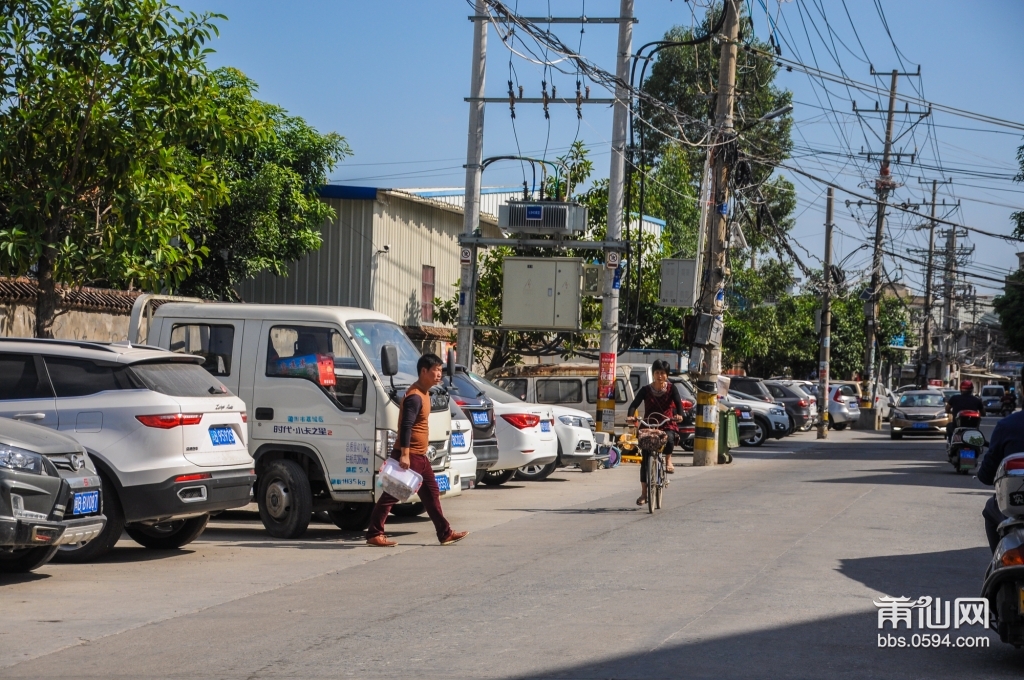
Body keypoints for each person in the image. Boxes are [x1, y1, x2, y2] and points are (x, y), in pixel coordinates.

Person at [366, 353, 468, 547]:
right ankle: (374, 533)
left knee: (431, 494)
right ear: (423, 371)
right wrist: (404, 454)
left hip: (420, 456)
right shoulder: (414, 396)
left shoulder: (426, 393)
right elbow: (406, 426)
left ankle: (444, 533)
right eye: (435, 371)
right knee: (391, 495)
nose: (439, 374)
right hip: (410, 455)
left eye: (440, 370)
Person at [625, 360, 684, 506]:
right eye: (657, 373)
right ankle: (644, 494)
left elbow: (678, 404)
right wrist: (631, 416)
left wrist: (679, 415)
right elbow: (634, 404)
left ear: (667, 375)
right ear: (653, 374)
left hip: (666, 423)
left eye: (662, 373)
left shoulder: (672, 389)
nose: (659, 376)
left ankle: (668, 460)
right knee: (645, 460)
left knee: (670, 439)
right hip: (649, 424)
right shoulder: (645, 390)